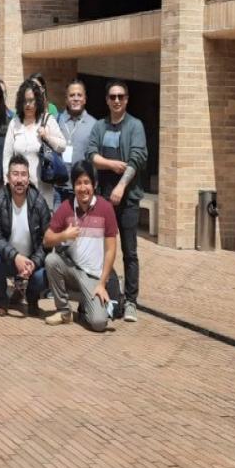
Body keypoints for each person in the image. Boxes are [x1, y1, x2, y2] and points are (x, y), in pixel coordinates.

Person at [85, 79, 148, 323]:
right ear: (107, 100)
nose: (117, 100)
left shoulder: (135, 125)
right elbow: (91, 154)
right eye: (112, 97)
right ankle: (107, 293)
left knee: (129, 252)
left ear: (127, 99)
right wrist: (111, 164)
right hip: (103, 198)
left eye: (121, 96)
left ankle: (131, 301)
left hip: (128, 199)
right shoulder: (100, 126)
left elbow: (137, 157)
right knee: (100, 250)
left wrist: (121, 186)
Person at [43, 160, 119, 331]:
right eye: (78, 183)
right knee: (51, 260)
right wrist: (63, 235)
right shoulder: (66, 207)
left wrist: (102, 283)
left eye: (87, 182)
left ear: (95, 184)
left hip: (93, 276)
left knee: (99, 323)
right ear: (73, 186)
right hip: (72, 270)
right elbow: (47, 240)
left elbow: (111, 250)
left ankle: (86, 305)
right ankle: (64, 311)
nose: (83, 188)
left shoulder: (105, 208)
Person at [0, 154, 50, 317]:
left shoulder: (39, 202)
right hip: (8, 259)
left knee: (46, 270)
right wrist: (15, 257)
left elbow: (46, 241)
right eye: (15, 174)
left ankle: (32, 299)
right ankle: (2, 300)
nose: (19, 180)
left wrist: (34, 263)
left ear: (28, 178)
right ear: (8, 177)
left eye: (23, 174)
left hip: (31, 262)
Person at [3, 79, 67, 205]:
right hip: (18, 190)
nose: (28, 104)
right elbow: (7, 156)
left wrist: (47, 136)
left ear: (38, 100)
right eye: (24, 101)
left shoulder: (47, 120)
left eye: (31, 100)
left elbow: (62, 146)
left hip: (42, 191)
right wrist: (7, 181)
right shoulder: (14, 123)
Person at [55, 79, 98, 205]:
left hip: (82, 190)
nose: (75, 98)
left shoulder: (94, 125)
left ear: (85, 99)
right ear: (66, 99)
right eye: (72, 95)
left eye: (79, 95)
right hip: (57, 189)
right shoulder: (56, 121)